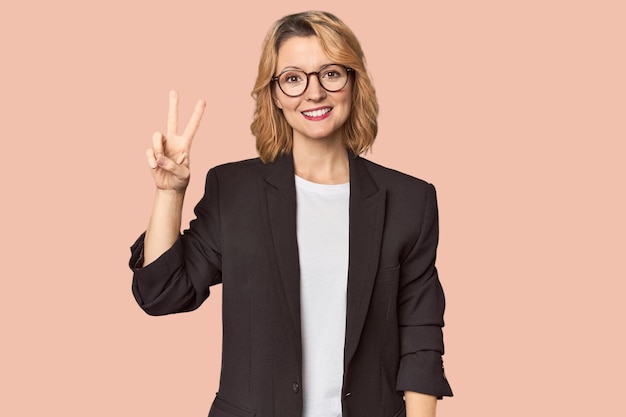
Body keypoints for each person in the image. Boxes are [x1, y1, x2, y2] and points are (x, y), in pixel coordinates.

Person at [130, 10, 452, 417]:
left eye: (331, 73)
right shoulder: (234, 191)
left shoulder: (409, 200)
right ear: (275, 95)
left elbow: (420, 336)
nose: (314, 93)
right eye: (294, 78)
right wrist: (170, 193)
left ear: (354, 82)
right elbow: (162, 293)